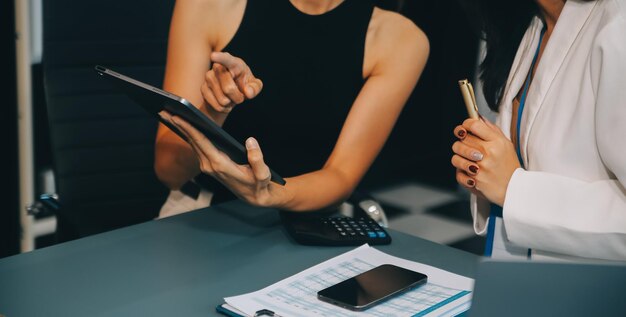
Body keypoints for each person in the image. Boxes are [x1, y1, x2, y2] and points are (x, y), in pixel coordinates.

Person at [154, 0, 429, 218]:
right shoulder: (209, 5)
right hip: (200, 212)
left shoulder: (400, 40)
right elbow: (169, 171)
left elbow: (341, 176)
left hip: (312, 220)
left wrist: (268, 194)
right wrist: (214, 111)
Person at [451, 0, 626, 261]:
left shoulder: (617, 25)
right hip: (525, 282)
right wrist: (485, 168)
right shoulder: (535, 25)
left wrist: (514, 189)